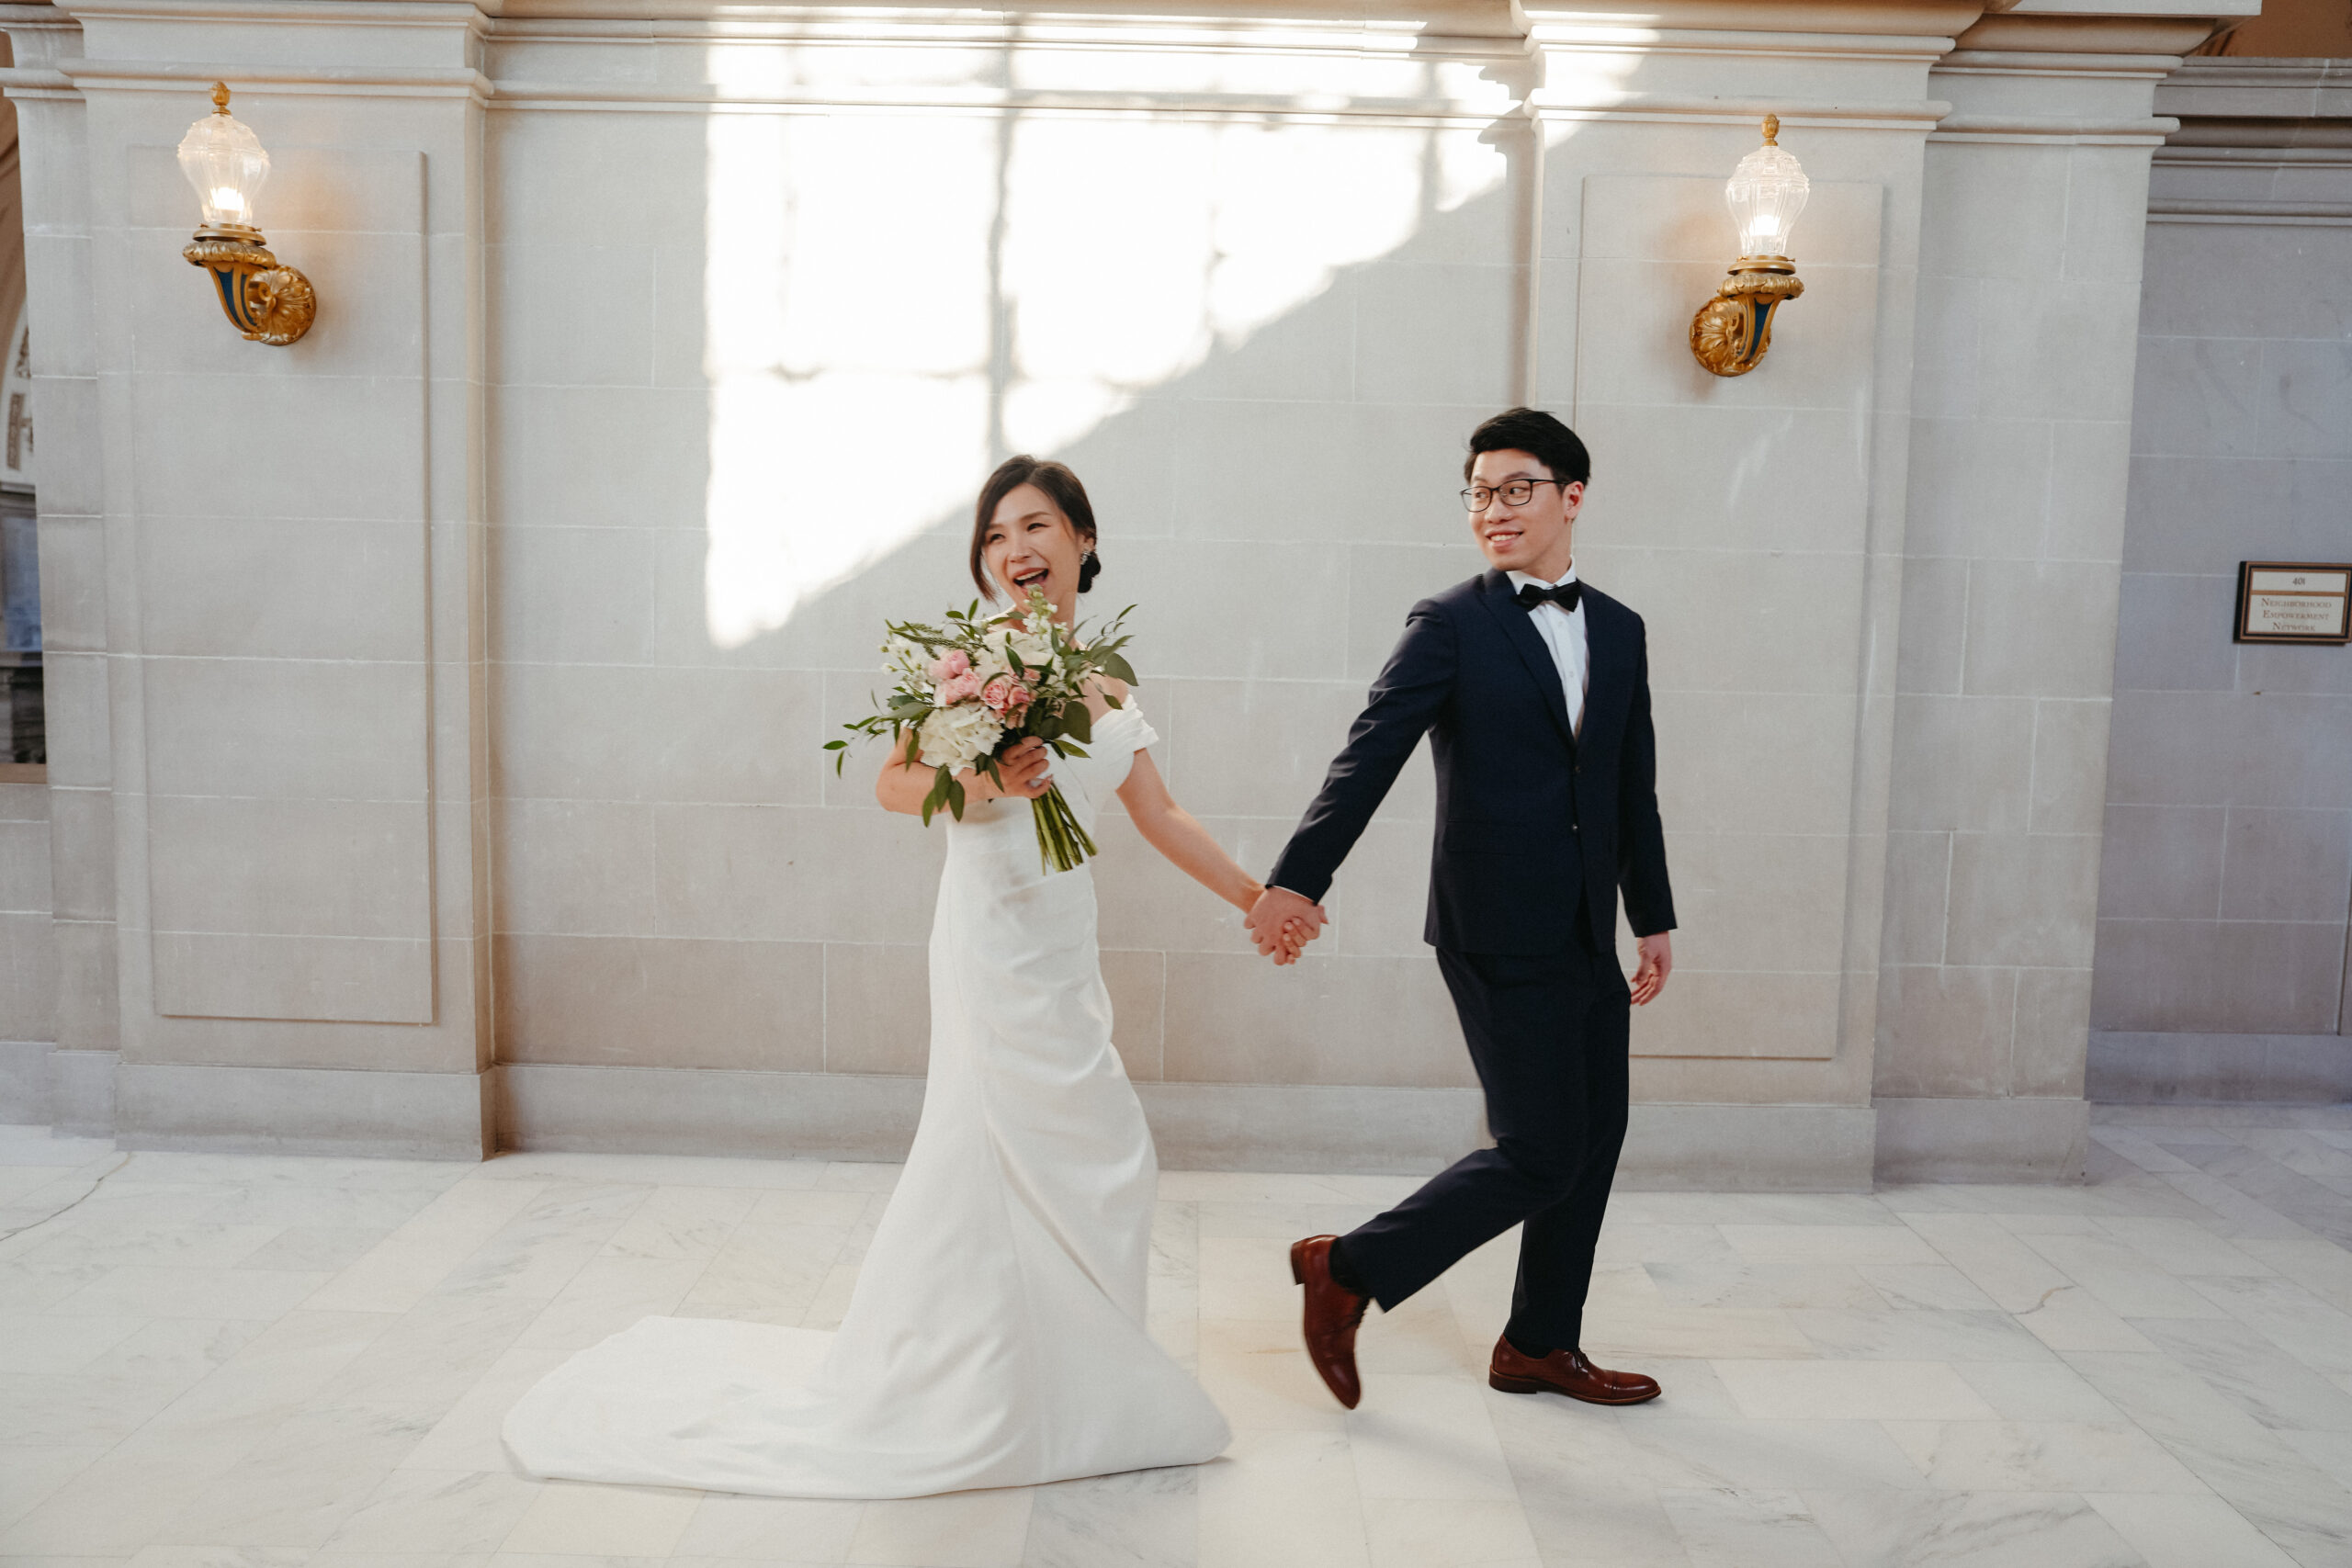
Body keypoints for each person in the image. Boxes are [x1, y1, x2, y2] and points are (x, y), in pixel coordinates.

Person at [503, 456, 1305, 1496]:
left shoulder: (1106, 681)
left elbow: (1156, 813)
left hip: (1062, 938)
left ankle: (1069, 1374)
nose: (1014, 549)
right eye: (994, 536)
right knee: (1019, 1139)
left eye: (1036, 527)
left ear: (1084, 542)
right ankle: (990, 1377)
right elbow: (894, 784)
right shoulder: (965, 659)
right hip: (987, 935)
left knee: (1095, 1148)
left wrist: (1258, 898)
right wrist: (984, 774)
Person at [1244, 407, 1676, 1411]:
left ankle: (1537, 1343)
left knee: (1593, 1139)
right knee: (1539, 1150)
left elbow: (1629, 788)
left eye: (1515, 487)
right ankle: (1347, 1269)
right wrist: (1296, 880)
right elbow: (1369, 756)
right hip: (1491, 925)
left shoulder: (1617, 629)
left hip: (1586, 930)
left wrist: (1650, 915)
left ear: (1572, 496)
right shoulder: (1449, 624)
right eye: (1479, 492)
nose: (1493, 509)